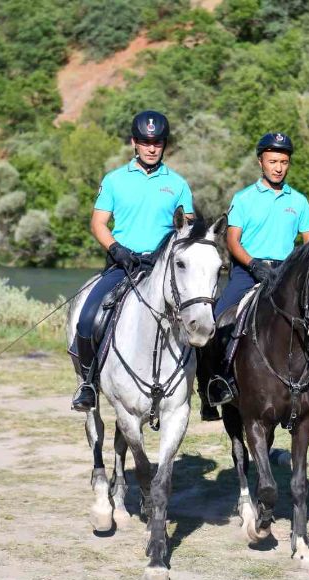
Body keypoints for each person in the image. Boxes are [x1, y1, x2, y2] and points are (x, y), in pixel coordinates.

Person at [71, 110, 194, 412]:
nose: (152, 148)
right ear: (134, 143)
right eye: (145, 142)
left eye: (158, 142)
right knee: (88, 319)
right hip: (123, 265)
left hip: (162, 270)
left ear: (164, 145)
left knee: (199, 319)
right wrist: (116, 249)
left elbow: (187, 228)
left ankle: (202, 386)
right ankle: (88, 384)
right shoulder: (114, 180)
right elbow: (98, 223)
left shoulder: (177, 184)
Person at [204, 131, 309, 419]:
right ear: (260, 161)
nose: (278, 167)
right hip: (248, 272)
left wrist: (297, 272)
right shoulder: (244, 198)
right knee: (217, 322)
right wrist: (254, 265)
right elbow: (232, 241)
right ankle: (213, 386)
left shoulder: (298, 201)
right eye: (273, 161)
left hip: (286, 276)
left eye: (284, 162)